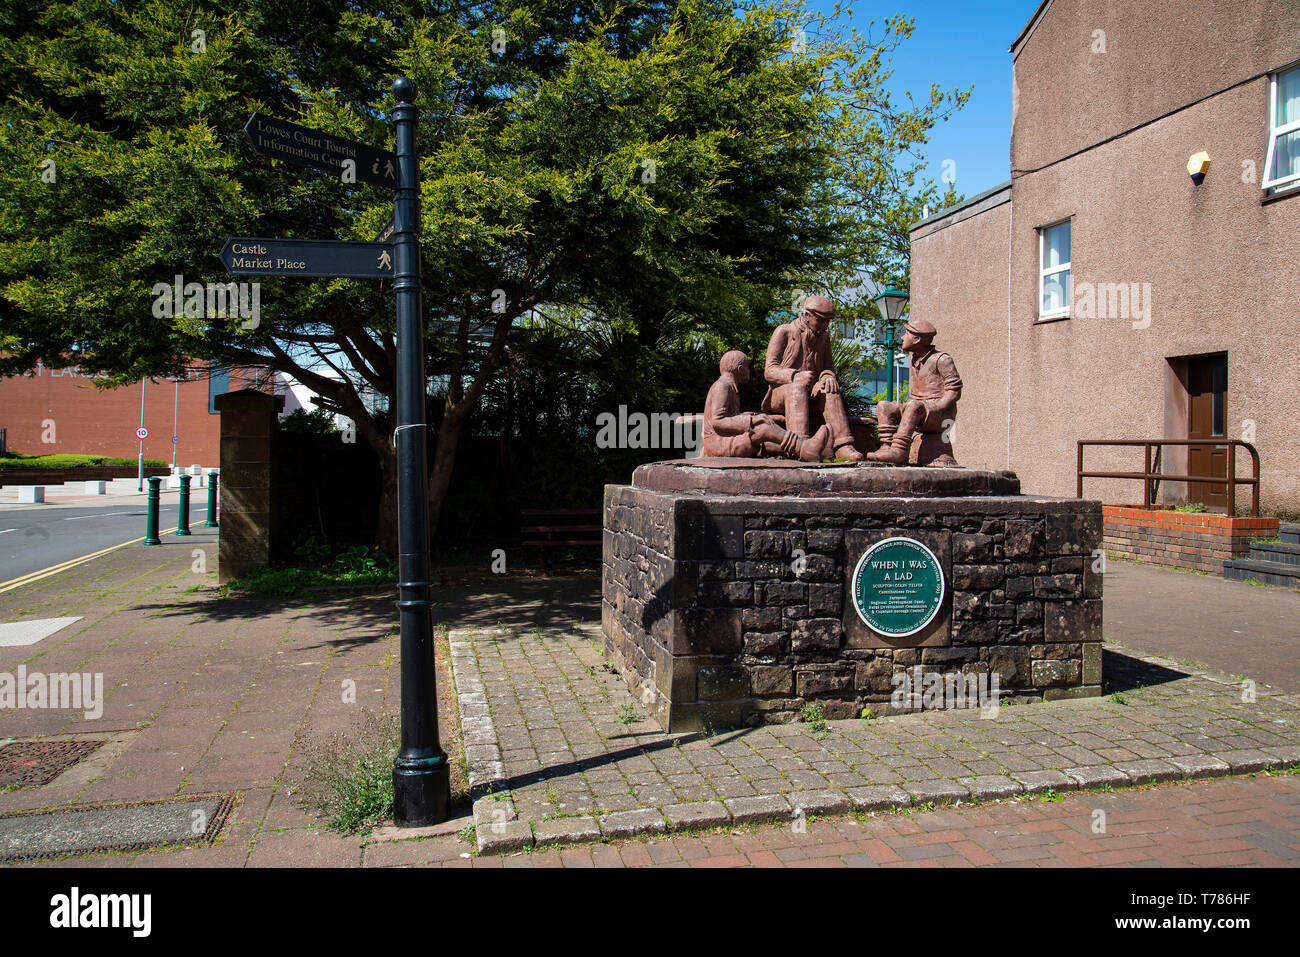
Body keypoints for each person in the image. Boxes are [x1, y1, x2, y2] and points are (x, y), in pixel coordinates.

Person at [761, 295, 864, 462]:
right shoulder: (784, 331)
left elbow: (828, 368)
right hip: (781, 393)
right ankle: (800, 445)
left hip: (811, 392)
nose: (825, 325)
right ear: (807, 315)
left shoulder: (824, 338)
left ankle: (843, 446)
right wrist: (795, 376)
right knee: (797, 388)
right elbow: (770, 370)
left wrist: (828, 377)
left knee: (830, 390)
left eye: (828, 321)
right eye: (821, 320)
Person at [701, 350, 831, 461]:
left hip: (725, 439)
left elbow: (730, 417)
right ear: (740, 369)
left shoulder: (729, 387)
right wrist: (751, 420)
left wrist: (753, 416)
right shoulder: (722, 386)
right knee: (764, 429)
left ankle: (812, 450)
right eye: (747, 367)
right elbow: (718, 421)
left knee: (768, 440)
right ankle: (805, 449)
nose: (749, 371)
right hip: (718, 444)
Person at [866, 317, 962, 464]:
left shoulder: (941, 359)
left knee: (914, 405)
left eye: (907, 334)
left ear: (917, 339)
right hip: (917, 408)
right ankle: (886, 447)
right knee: (884, 406)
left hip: (940, 414)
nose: (903, 337)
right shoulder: (913, 358)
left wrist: (938, 406)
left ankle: (899, 451)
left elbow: (954, 390)